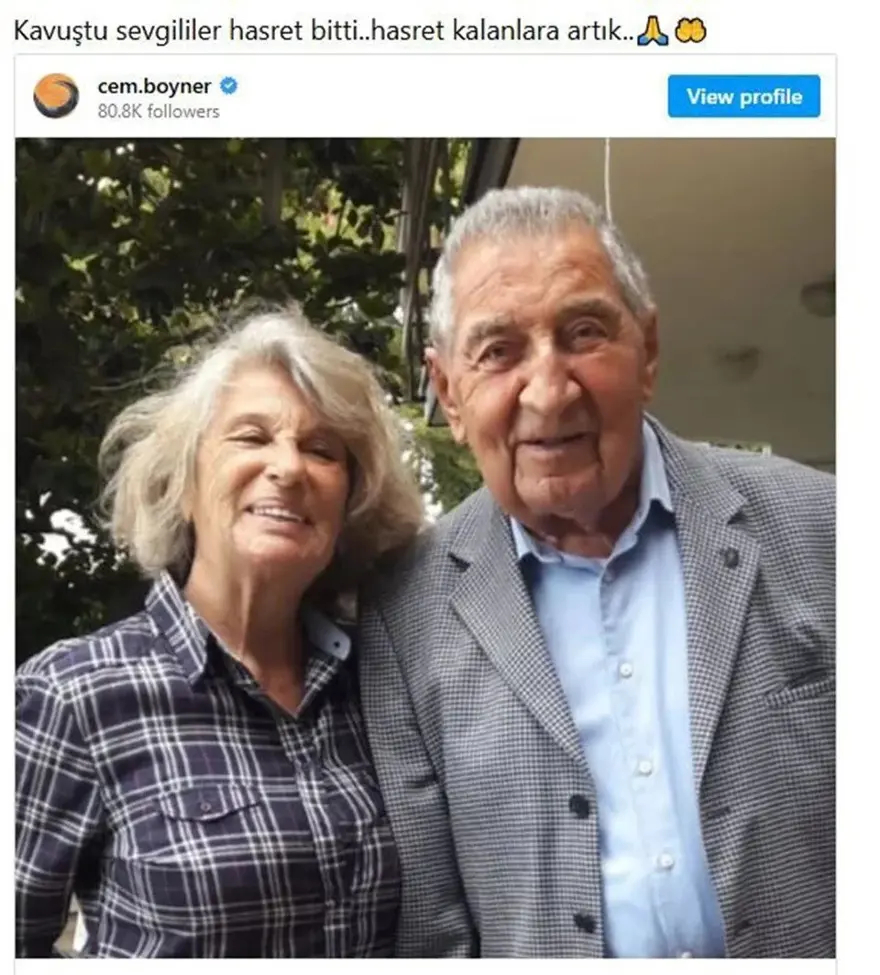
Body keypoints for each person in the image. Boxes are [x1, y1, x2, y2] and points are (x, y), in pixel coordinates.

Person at [358, 186, 835, 959]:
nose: (549, 391)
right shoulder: (403, 615)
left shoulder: (826, 527)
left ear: (648, 350)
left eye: (583, 333)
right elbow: (435, 933)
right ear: (448, 392)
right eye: (498, 350)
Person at [15, 303, 424, 958]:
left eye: (322, 450)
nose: (288, 467)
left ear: (348, 504)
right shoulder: (73, 695)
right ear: (184, 484)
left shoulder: (381, 684)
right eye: (252, 437)